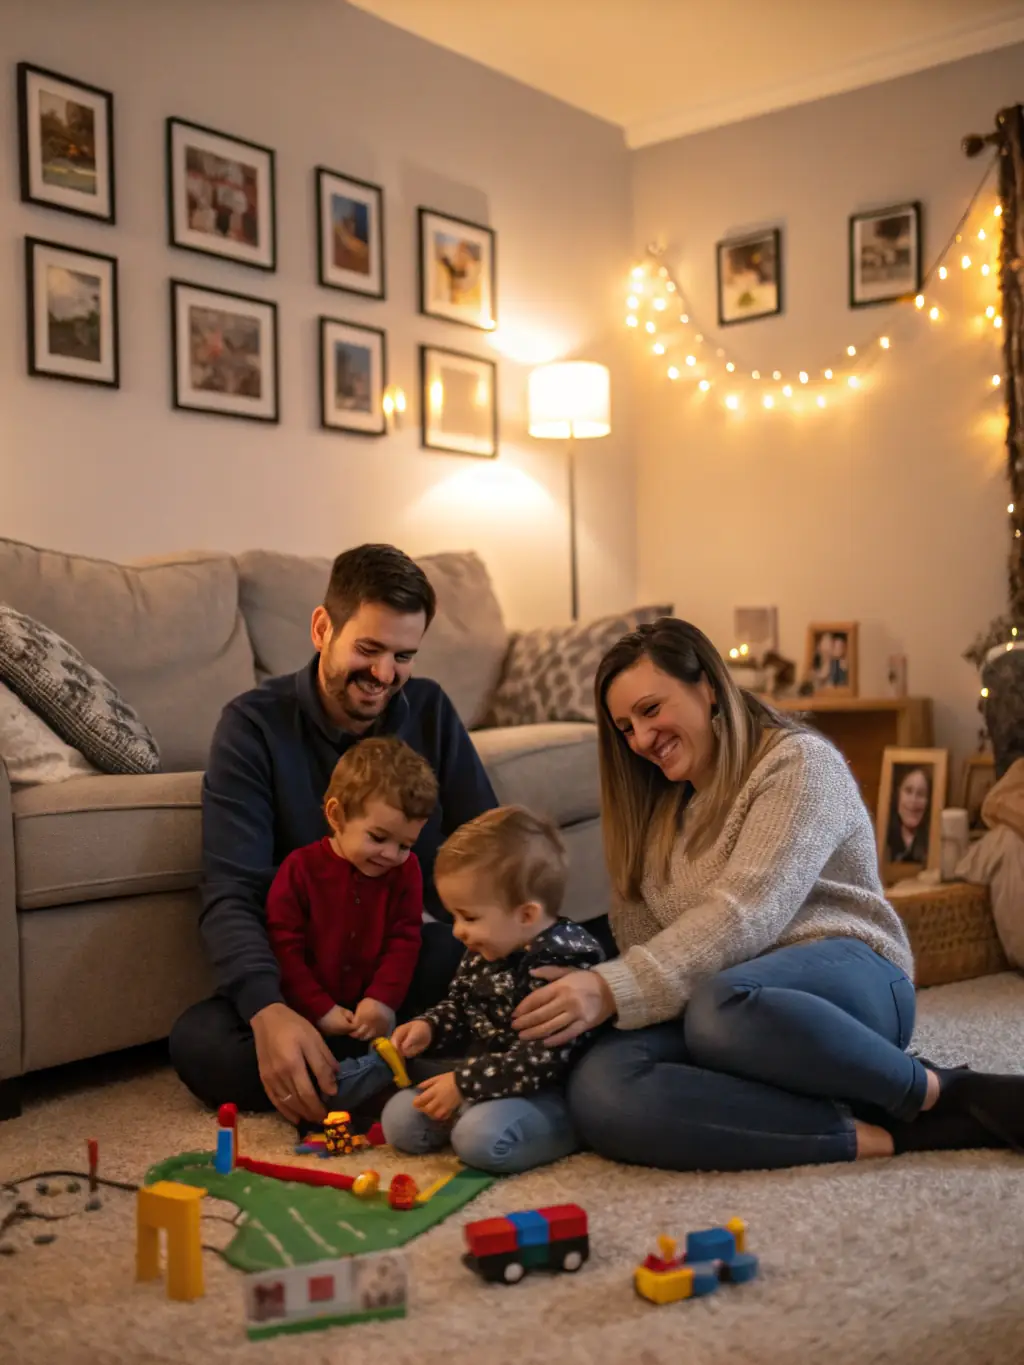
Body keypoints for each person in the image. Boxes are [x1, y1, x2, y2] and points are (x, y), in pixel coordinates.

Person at [512, 618, 1024, 1170]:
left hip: (851, 977)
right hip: (728, 1014)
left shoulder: (797, 763)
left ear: (708, 686)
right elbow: (649, 949)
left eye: (650, 710)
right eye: (625, 727)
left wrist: (610, 988)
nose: (639, 739)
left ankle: (936, 1090)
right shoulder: (655, 813)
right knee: (603, 1088)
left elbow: (744, 913)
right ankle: (878, 1133)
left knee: (721, 1008)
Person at [169, 544, 497, 1127]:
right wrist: (269, 1009)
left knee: (495, 965)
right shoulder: (252, 726)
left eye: (403, 656)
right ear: (323, 628)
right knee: (200, 1042)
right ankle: (417, 1074)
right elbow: (231, 891)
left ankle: (363, 1076)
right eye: (367, 649)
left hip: (404, 966)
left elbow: (486, 846)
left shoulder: (427, 710)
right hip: (306, 979)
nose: (383, 676)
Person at [335, 806, 605, 1174]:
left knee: (479, 1140)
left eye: (470, 917)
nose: (458, 931)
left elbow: (540, 1061)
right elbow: (462, 1007)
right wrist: (429, 1026)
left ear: (526, 915)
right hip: (484, 1077)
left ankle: (565, 1131)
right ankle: (473, 1111)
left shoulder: (560, 964)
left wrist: (462, 1084)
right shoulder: (488, 946)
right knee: (401, 1122)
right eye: (455, 917)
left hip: (548, 1090)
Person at [266, 738, 438, 1050]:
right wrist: (320, 1009)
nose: (390, 854)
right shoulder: (300, 868)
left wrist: (382, 1000)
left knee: (454, 950)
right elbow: (283, 948)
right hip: (308, 1014)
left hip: (374, 1016)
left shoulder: (407, 869)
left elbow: (405, 938)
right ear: (337, 816)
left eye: (404, 845)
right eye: (378, 837)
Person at [887, 765, 931, 864]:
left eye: (921, 794)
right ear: (898, 795)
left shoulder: (933, 844)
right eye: (908, 791)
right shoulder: (883, 837)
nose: (913, 800)